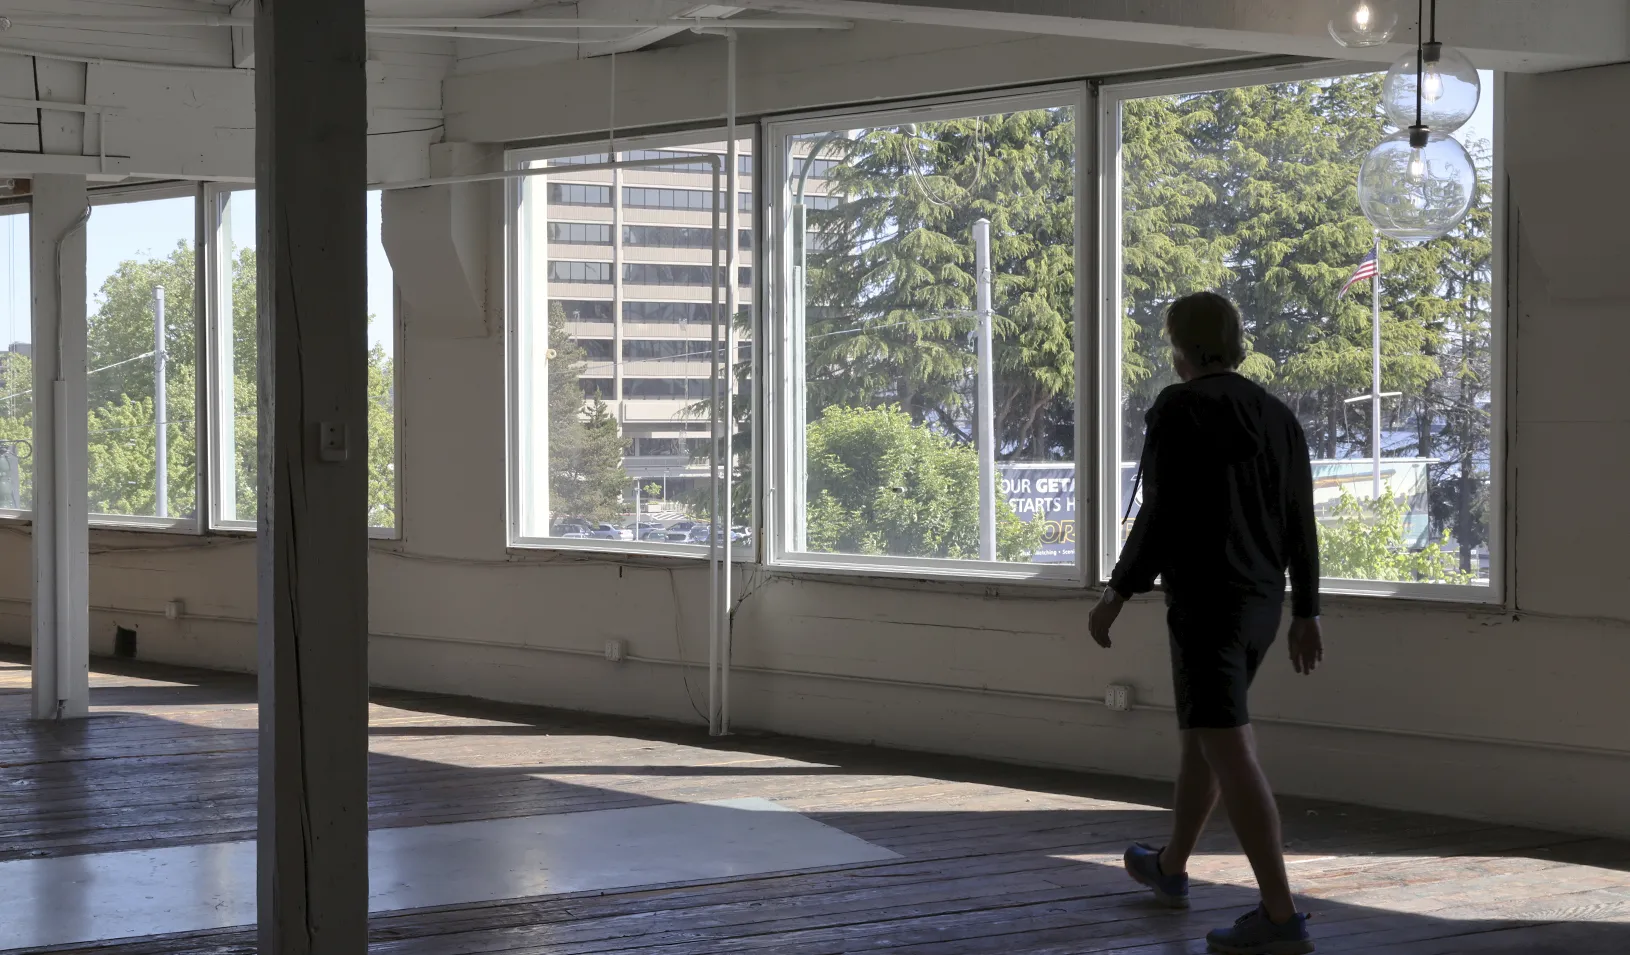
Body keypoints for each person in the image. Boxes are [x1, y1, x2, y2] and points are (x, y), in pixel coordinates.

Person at [1088, 291, 1323, 955]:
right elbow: (1301, 521)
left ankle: (1280, 916)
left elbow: (1160, 514)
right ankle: (1169, 868)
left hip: (1204, 603)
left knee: (1229, 747)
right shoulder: (1278, 416)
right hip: (1260, 605)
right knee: (1204, 737)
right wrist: (1306, 609)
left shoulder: (1178, 407)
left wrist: (1117, 591)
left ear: (1179, 346)